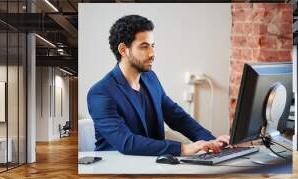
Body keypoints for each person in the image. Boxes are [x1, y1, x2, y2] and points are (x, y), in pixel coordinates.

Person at [87, 15, 229, 156]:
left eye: (152, 46)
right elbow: (126, 143)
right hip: (115, 172)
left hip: (153, 165)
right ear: (123, 50)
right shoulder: (100, 93)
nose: (152, 53)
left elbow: (177, 117)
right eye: (144, 47)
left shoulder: (150, 78)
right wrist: (184, 149)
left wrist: (212, 141)